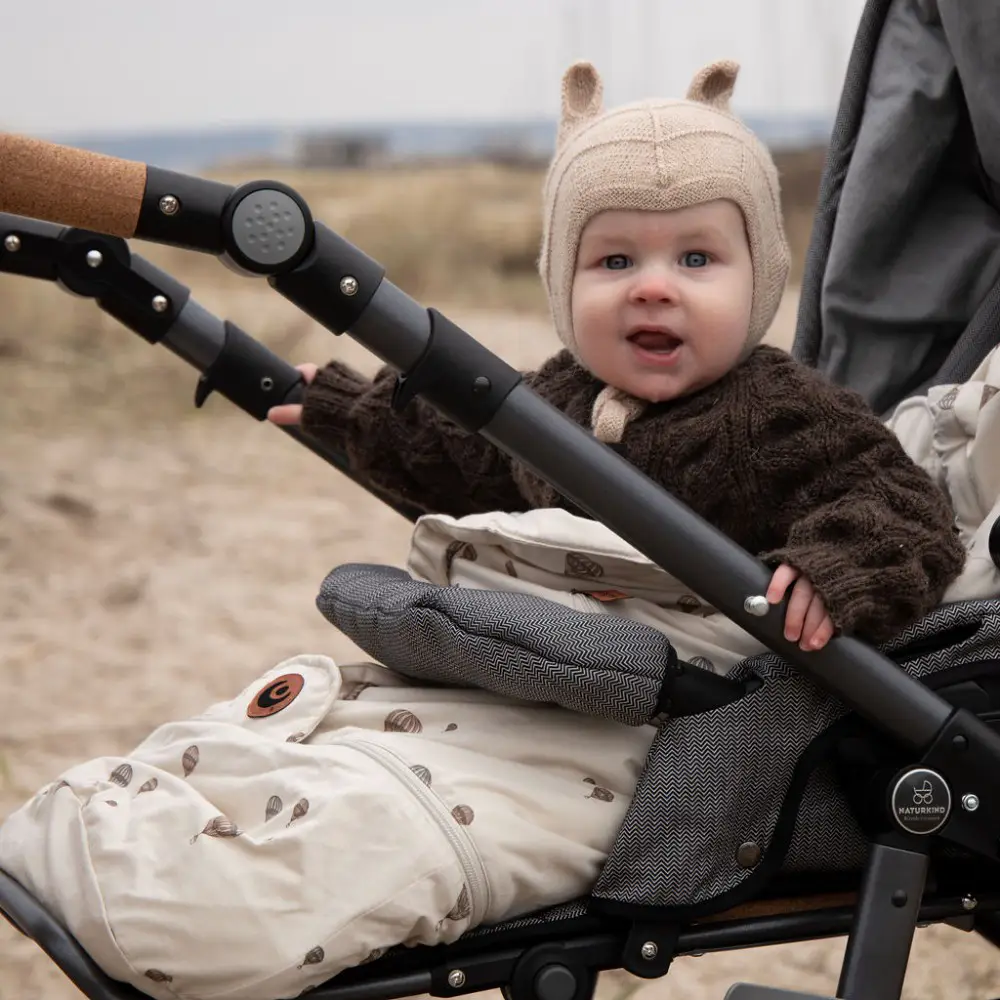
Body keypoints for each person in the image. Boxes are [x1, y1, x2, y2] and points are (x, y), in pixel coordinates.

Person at [268, 58, 966, 651]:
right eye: (614, 260)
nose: (653, 287)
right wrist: (348, 407)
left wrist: (834, 569)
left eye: (696, 258)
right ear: (562, 283)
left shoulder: (782, 411)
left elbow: (902, 505)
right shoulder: (552, 399)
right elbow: (462, 449)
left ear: (760, 279)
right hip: (575, 662)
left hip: (722, 688)